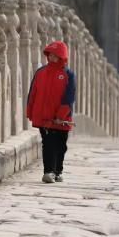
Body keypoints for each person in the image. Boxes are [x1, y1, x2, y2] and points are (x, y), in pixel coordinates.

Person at [26, 41, 76, 184]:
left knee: (61, 145)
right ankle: (48, 172)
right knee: (48, 144)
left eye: (56, 55)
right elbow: (32, 93)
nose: (52, 58)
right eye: (50, 55)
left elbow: (69, 97)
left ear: (62, 57)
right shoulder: (40, 72)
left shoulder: (68, 75)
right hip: (44, 117)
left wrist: (61, 116)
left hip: (62, 119)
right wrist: (30, 111)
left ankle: (58, 171)